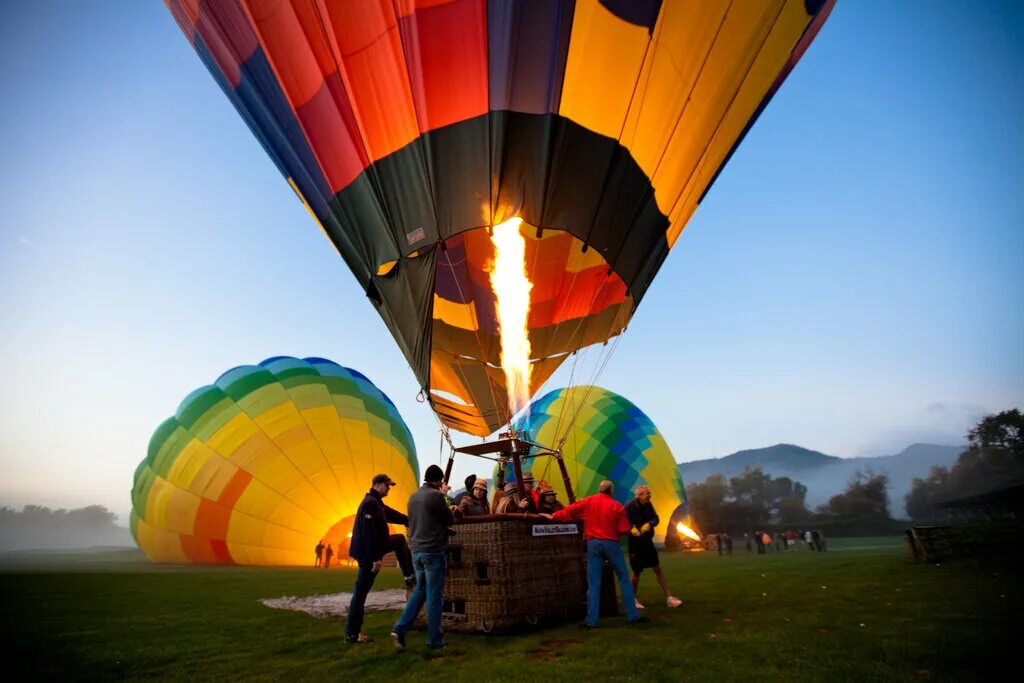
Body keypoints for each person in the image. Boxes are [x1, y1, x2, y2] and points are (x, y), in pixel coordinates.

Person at [544, 480, 649, 628]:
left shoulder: (589, 501)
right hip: (611, 544)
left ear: (599, 490)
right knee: (624, 578)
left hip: (592, 544)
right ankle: (633, 615)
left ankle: (591, 621)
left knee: (594, 584)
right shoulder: (616, 506)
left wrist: (555, 516)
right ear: (611, 491)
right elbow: (624, 529)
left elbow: (571, 510)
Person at [344, 473, 415, 644]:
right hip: (369, 555)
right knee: (360, 594)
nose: (389, 488)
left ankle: (409, 576)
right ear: (377, 485)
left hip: (376, 547)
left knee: (398, 540)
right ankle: (352, 634)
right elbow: (368, 534)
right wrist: (376, 559)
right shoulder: (370, 504)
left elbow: (392, 515)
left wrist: (410, 520)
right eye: (387, 485)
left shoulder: (376, 503)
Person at [391, 464, 455, 651]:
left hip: (416, 552)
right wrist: (443, 495)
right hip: (432, 551)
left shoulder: (413, 496)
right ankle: (435, 640)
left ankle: (399, 629)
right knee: (434, 596)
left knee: (420, 591)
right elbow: (450, 518)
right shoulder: (435, 496)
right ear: (438, 480)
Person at [625, 485, 682, 610]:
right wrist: (630, 528)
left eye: (649, 493)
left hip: (647, 542)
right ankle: (632, 600)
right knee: (636, 572)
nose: (649, 495)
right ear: (639, 495)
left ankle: (669, 598)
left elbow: (656, 518)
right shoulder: (629, 507)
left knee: (657, 568)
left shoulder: (648, 504)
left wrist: (649, 524)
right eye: (646, 493)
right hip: (635, 544)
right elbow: (621, 520)